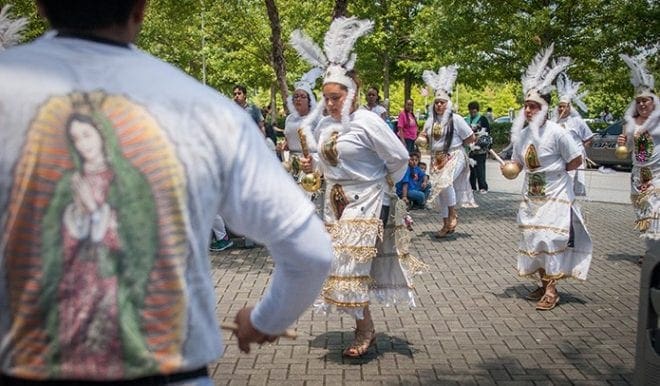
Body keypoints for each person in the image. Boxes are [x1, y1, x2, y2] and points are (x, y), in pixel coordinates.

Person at [0, 1, 333, 384]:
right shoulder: (207, 110)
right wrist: (265, 320)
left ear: (40, 5)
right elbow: (311, 251)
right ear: (141, 7)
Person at [291, 17, 425, 358]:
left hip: (365, 201)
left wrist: (384, 187)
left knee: (351, 266)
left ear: (349, 94)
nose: (330, 104)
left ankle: (364, 330)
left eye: (335, 98)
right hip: (333, 202)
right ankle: (364, 326)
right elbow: (327, 162)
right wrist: (313, 166)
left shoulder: (368, 120)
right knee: (339, 265)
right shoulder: (324, 126)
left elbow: (398, 157)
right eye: (326, 98)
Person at [501, 45, 592, 311]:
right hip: (532, 195)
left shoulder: (557, 132)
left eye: (534, 106)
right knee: (533, 238)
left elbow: (575, 159)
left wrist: (555, 177)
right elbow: (519, 161)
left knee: (551, 239)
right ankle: (543, 283)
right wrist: (511, 168)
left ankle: (552, 290)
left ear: (544, 108)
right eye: (526, 106)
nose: (528, 111)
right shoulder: (522, 134)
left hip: (555, 194)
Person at [417, 65, 477, 238]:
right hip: (436, 158)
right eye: (436, 103)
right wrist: (421, 139)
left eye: (442, 102)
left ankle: (452, 214)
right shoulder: (430, 121)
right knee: (440, 190)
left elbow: (470, 137)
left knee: (445, 182)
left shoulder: (456, 119)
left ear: (448, 104)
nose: (438, 105)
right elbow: (424, 136)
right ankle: (445, 224)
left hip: (454, 154)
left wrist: (461, 145)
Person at [617, 52, 660, 262]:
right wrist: (622, 144)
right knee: (643, 213)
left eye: (647, 101)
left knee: (655, 212)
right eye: (639, 102)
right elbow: (628, 150)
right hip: (638, 176)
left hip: (657, 176)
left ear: (654, 102)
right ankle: (650, 250)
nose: (643, 105)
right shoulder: (630, 125)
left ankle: (655, 252)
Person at [552, 72, 594, 196]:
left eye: (564, 106)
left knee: (574, 189)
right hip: (560, 158)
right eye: (559, 106)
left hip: (575, 158)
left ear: (569, 108)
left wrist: (581, 150)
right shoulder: (553, 122)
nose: (561, 109)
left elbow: (589, 138)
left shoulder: (577, 121)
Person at [281, 67, 322, 182]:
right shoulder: (289, 119)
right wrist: (284, 146)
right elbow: (288, 140)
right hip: (291, 165)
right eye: (296, 96)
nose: (298, 99)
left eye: (303, 97)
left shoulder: (317, 118)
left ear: (310, 101)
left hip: (310, 164)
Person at [465, 101, 491, 193]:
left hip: (480, 149)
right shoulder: (466, 120)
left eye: (474, 112)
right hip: (469, 149)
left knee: (480, 169)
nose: (472, 114)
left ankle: (483, 187)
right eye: (471, 112)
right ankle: (472, 187)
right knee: (471, 169)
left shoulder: (482, 119)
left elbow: (487, 133)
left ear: (477, 111)